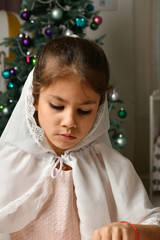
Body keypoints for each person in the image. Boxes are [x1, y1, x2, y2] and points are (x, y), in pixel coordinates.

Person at [0, 36, 160, 240]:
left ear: (99, 108)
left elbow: (153, 224)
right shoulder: (7, 164)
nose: (69, 121)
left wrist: (132, 230)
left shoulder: (112, 167)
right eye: (57, 106)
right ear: (35, 99)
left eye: (84, 110)